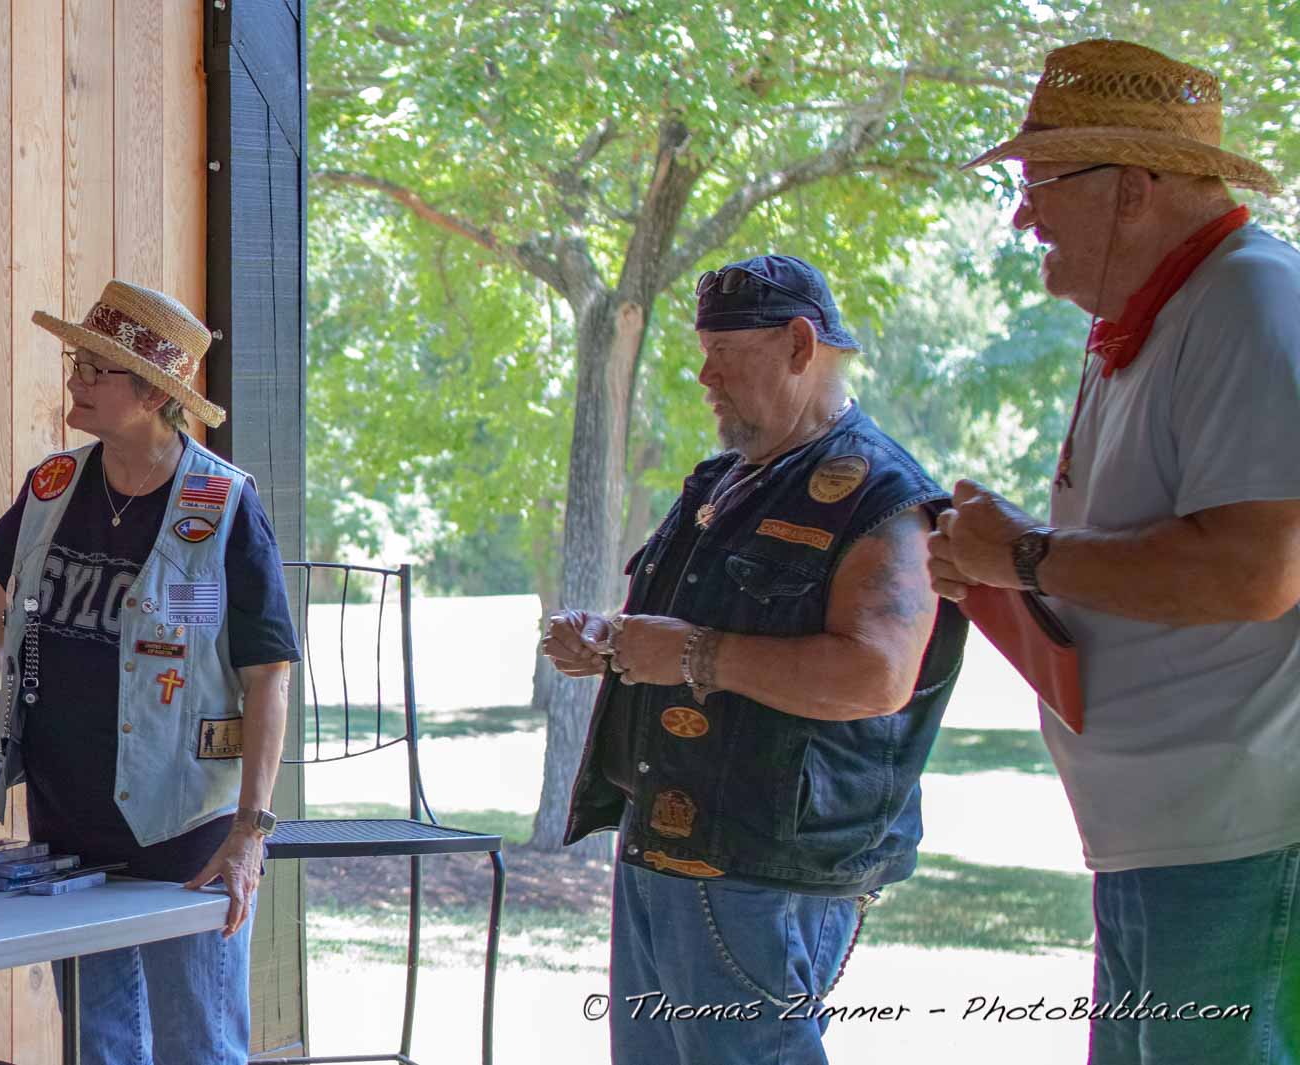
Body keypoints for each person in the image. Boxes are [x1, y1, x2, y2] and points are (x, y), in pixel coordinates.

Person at [933, 39, 1300, 1065]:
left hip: (1238, 841)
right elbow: (1149, 550)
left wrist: (1024, 558)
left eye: (1040, 182)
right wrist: (1002, 561)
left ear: (1132, 187)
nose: (1021, 216)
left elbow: (1253, 571)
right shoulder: (1168, 312)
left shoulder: (1249, 300)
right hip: (1170, 836)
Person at [543, 255, 968, 1065]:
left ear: (800, 345)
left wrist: (693, 653)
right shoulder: (725, 483)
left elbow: (876, 676)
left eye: (725, 354)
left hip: (764, 869)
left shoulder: (882, 497)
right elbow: (685, 633)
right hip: (664, 848)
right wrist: (611, 639)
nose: (705, 375)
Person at [0, 279, 299, 1065]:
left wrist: (250, 829)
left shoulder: (225, 504)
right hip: (65, 824)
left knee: (197, 1046)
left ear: (152, 394)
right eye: (76, 362)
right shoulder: (52, 487)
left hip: (188, 835)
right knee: (96, 1047)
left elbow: (269, 674)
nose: (74, 380)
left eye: (93, 368)